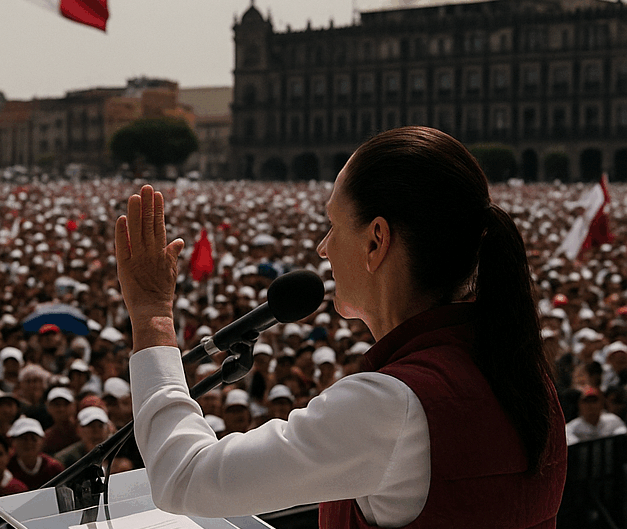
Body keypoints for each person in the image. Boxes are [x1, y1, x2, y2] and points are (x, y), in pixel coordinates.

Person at [117, 128, 567, 526]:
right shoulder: (521, 373)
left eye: (333, 224)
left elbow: (185, 478)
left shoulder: (394, 407)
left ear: (376, 241)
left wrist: (153, 316)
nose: (322, 247)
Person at [6, 417, 63, 490]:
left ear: (42, 441)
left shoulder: (54, 468)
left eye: (34, 439)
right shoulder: (7, 468)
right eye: (24, 439)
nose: (29, 443)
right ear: (12, 442)